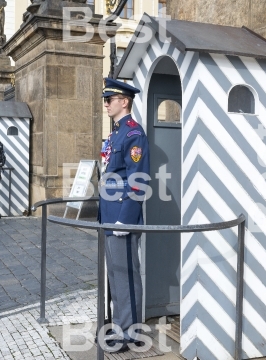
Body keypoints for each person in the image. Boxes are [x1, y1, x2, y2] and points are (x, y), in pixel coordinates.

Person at [97, 78, 150, 353]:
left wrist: (125, 219)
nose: (105, 104)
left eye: (109, 99)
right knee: (116, 275)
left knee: (127, 274)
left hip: (121, 216)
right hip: (110, 214)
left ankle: (130, 333)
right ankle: (119, 326)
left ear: (124, 101)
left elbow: (139, 180)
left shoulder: (133, 134)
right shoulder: (116, 133)